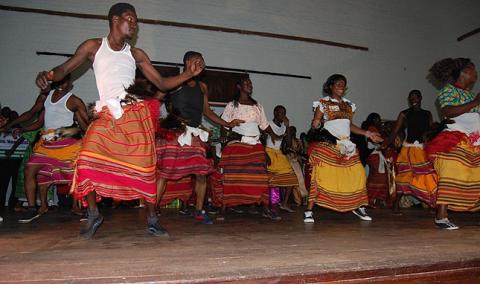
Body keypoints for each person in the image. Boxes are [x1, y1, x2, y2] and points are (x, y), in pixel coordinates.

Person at [35, 3, 204, 239]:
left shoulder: (136, 54)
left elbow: (162, 84)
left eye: (136, 21)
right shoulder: (93, 46)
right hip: (107, 114)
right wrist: (49, 75)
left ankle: (153, 219)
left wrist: (187, 75)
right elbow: (64, 69)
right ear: (115, 20)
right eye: (130, 19)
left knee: (145, 168)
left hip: (134, 113)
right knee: (86, 159)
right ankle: (94, 214)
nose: (135, 25)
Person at [155, 51, 243, 224]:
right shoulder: (175, 81)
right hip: (175, 134)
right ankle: (154, 209)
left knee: (202, 173)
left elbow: (207, 111)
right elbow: (156, 98)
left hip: (195, 134)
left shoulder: (202, 87)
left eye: (203, 61)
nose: (202, 63)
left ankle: (199, 210)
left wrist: (228, 123)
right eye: (197, 60)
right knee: (165, 173)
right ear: (187, 62)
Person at [3, 75, 88, 223]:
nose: (62, 84)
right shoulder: (45, 97)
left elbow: (85, 125)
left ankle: (82, 207)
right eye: (60, 81)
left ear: (70, 85)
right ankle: (32, 208)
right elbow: (36, 118)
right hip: (47, 144)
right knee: (30, 169)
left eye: (65, 81)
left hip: (67, 143)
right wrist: (13, 126)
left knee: (78, 174)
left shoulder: (74, 101)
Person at [304, 74, 382, 223]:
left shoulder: (348, 105)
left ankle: (358, 207)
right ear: (331, 86)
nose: (341, 87)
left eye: (343, 85)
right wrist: (316, 123)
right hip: (329, 145)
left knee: (358, 173)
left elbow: (349, 126)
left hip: (347, 145)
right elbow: (317, 122)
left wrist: (368, 133)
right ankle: (309, 210)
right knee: (320, 175)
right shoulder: (323, 103)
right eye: (338, 84)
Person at [426, 58, 480, 230]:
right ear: (463, 72)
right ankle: (441, 216)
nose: (476, 72)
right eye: (473, 69)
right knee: (451, 172)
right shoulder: (448, 91)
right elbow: (448, 111)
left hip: (474, 139)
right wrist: (476, 102)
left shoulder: (472, 95)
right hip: (454, 139)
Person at [219, 76, 282, 220]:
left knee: (261, 177)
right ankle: (224, 208)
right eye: (246, 83)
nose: (250, 85)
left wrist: (274, 135)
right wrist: (223, 139)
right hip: (237, 144)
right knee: (232, 178)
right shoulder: (232, 105)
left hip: (255, 144)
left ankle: (266, 208)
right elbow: (224, 123)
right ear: (239, 87)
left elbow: (264, 125)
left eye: (251, 83)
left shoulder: (258, 106)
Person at [384, 90, 437, 214]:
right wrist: (386, 143)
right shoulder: (404, 114)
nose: (413, 99)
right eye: (411, 98)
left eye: (415, 97)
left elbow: (430, 131)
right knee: (405, 177)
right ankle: (395, 205)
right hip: (409, 150)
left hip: (423, 149)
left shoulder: (427, 114)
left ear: (420, 98)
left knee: (428, 176)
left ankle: (431, 204)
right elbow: (395, 131)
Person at [265, 105, 298, 212]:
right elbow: (262, 140)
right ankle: (274, 204)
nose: (283, 116)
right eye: (281, 113)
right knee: (273, 180)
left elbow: (288, 143)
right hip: (269, 152)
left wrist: (287, 126)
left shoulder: (283, 127)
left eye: (284, 113)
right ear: (275, 113)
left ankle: (284, 203)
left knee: (291, 177)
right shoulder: (268, 124)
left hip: (279, 154)